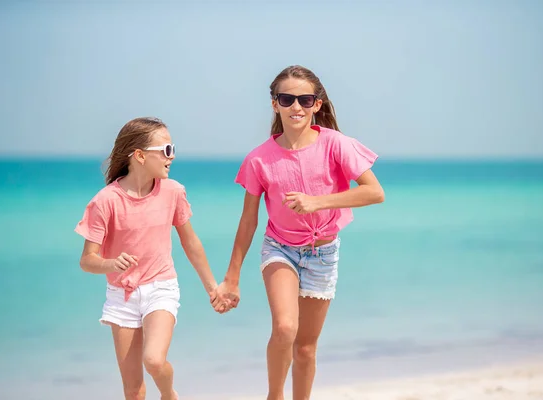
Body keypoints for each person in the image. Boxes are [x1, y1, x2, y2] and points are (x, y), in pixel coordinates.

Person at [212, 65, 385, 400]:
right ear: (275, 104)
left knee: (305, 348)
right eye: (286, 99)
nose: (296, 107)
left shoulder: (336, 144)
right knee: (285, 328)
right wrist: (232, 277)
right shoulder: (259, 159)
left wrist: (317, 202)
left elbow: (375, 192)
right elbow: (248, 220)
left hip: (323, 252)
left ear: (316, 104)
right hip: (280, 248)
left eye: (305, 99)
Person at [75, 117, 228, 400]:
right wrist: (110, 264)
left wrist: (212, 287)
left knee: (154, 360)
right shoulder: (106, 200)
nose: (173, 157)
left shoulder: (173, 192)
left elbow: (190, 242)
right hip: (122, 296)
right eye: (166, 150)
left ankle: (169, 394)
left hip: (161, 288)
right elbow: (87, 260)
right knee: (133, 390)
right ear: (140, 155)